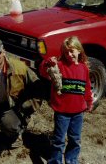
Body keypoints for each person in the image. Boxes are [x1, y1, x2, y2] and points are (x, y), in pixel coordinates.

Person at [39, 36, 93, 164]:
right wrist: (47, 62)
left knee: (75, 139)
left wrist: (89, 101)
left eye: (72, 51)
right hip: (62, 111)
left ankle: (71, 160)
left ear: (79, 51)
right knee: (59, 140)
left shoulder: (83, 68)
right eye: (66, 52)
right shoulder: (59, 66)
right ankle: (55, 161)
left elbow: (87, 87)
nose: (69, 54)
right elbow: (43, 71)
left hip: (78, 112)